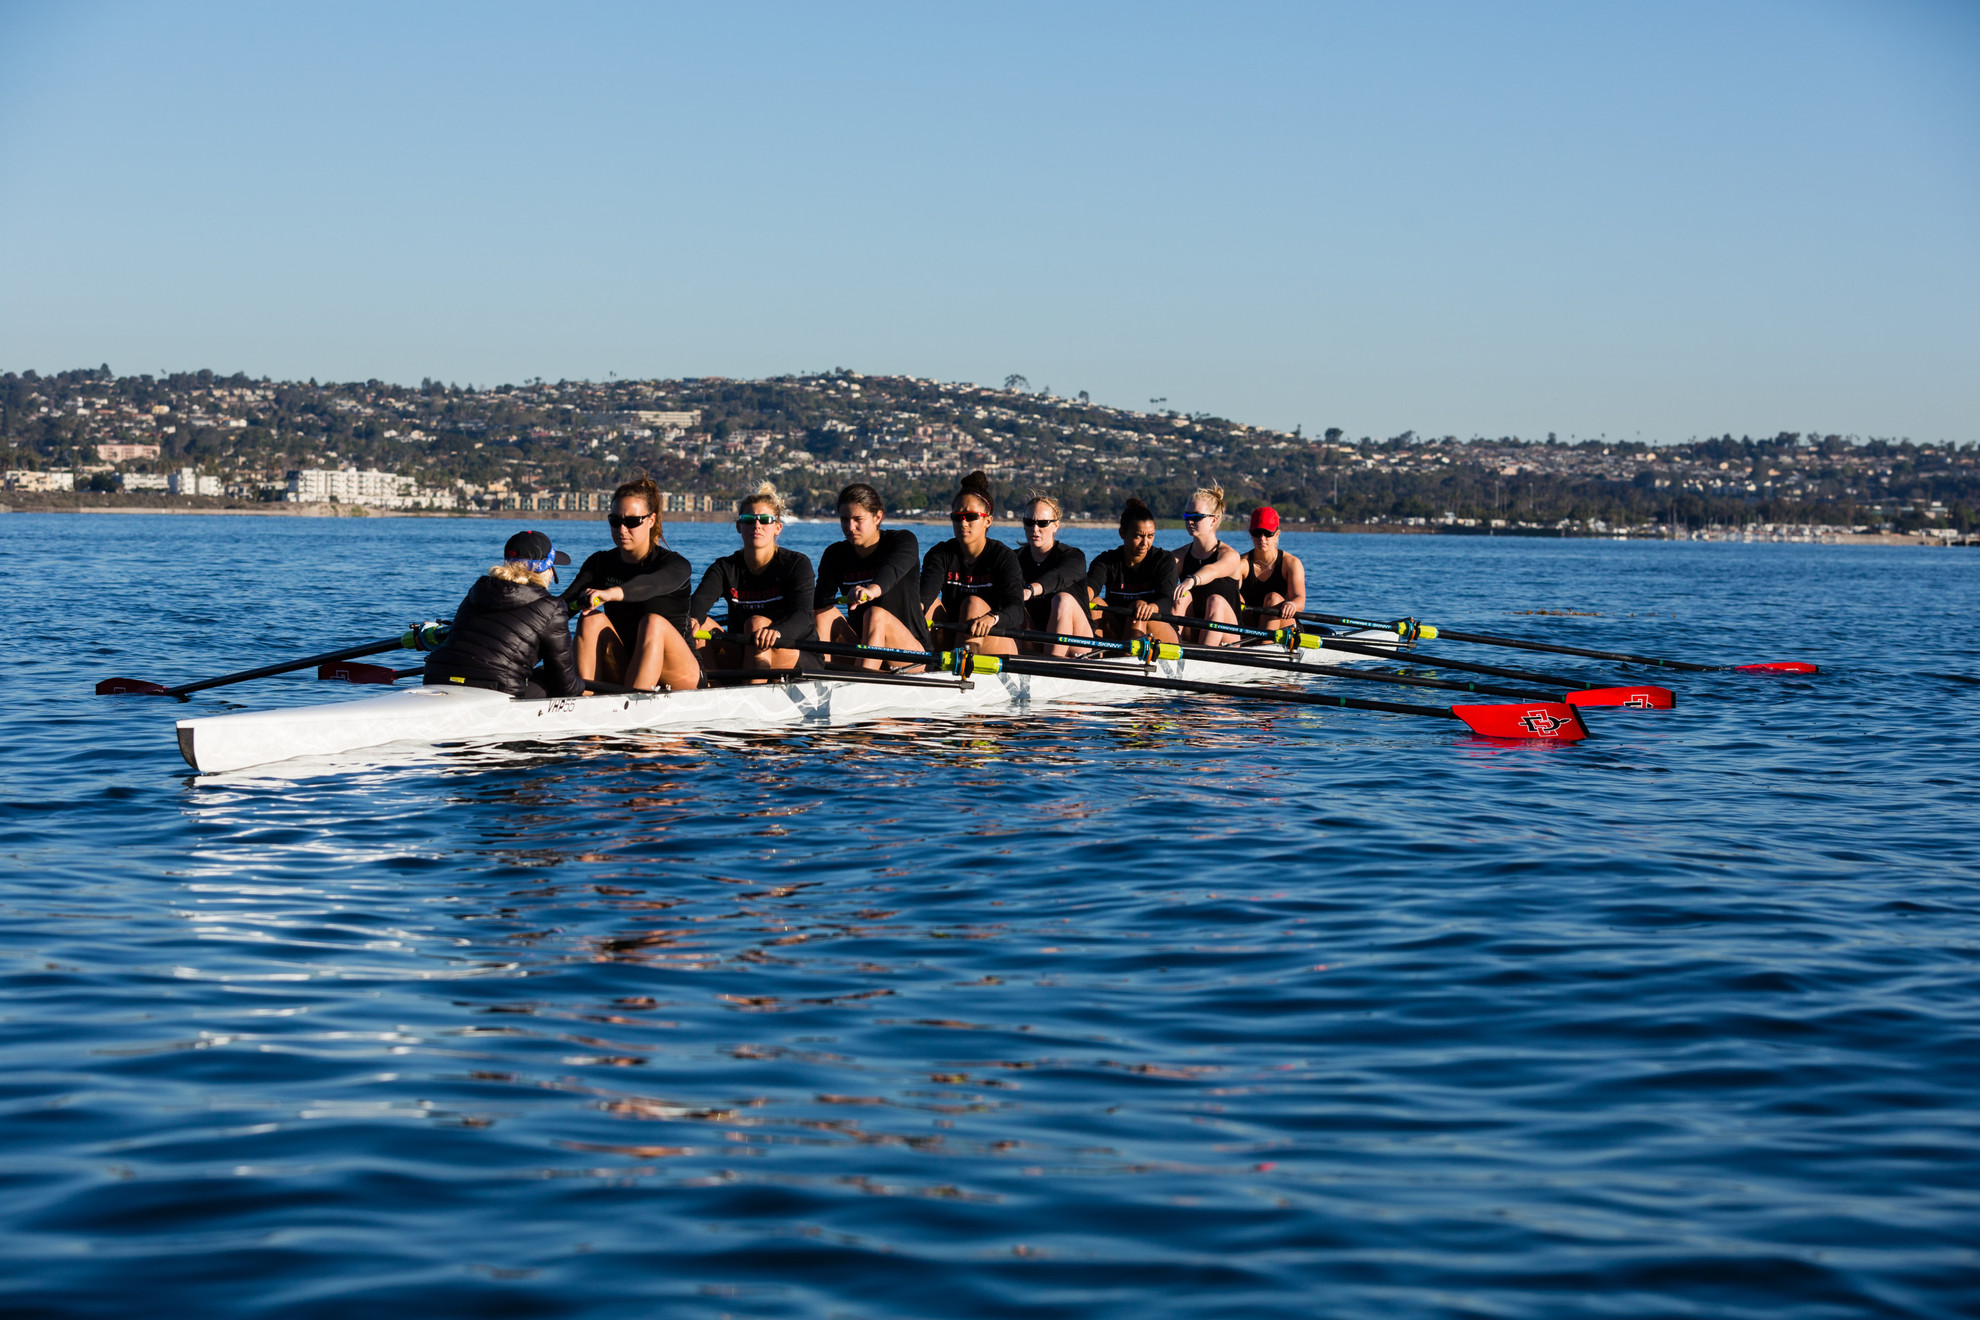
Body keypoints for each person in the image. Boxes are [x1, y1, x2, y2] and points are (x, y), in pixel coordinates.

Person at [562, 474, 700, 692]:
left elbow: (650, 584)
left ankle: (633, 704)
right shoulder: (600, 563)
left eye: (632, 521)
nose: (622, 529)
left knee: (652, 623)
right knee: (590, 618)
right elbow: (561, 608)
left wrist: (612, 593)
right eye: (615, 521)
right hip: (628, 665)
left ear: (651, 520)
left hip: (680, 673)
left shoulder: (676, 565)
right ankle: (584, 701)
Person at [422, 530, 584, 698]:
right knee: (546, 676)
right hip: (496, 689)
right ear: (547, 569)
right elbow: (565, 687)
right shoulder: (552, 607)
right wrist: (586, 685)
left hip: (436, 676)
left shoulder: (477, 591)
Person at [689, 482, 815, 676]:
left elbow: (803, 615)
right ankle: (710, 690)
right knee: (696, 625)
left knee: (756, 624)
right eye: (749, 519)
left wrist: (777, 631)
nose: (757, 525)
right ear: (739, 526)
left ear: (778, 528)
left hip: (793, 651)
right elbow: (697, 603)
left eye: (765, 519)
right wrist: (692, 619)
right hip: (745, 649)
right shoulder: (724, 567)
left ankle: (752, 692)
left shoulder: (796, 564)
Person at [813, 482, 929, 671]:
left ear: (878, 517)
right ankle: (817, 677)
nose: (850, 527)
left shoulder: (902, 541)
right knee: (822, 613)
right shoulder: (835, 554)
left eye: (858, 519)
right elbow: (818, 602)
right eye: (844, 519)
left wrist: (871, 590)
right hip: (863, 648)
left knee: (875, 615)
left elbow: (891, 571)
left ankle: (861, 685)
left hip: (911, 655)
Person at [920, 470, 1023, 657]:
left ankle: (962, 666)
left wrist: (992, 618)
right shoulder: (940, 554)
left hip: (994, 638)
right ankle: (920, 665)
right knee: (924, 607)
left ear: (987, 520)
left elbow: (1016, 609)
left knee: (973, 604)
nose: (963, 523)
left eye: (971, 516)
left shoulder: (1003, 556)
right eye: (957, 517)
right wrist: (916, 608)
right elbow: (925, 595)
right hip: (953, 636)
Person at [1085, 497, 1180, 645]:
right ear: (1122, 533)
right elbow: (1091, 587)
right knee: (1093, 602)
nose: (1145, 543)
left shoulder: (1164, 560)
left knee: (1138, 607)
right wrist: (1078, 599)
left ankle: (1128, 659)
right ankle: (1093, 655)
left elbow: (1166, 600)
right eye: (1138, 536)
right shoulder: (1106, 560)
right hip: (1119, 629)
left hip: (1158, 630)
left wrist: (1150, 608)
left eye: (1150, 536)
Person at [1014, 494, 1093, 656]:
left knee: (1062, 600)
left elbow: (1057, 577)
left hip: (1076, 640)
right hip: (1035, 637)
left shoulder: (1073, 557)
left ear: (1055, 526)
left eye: (1042, 523)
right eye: (1029, 522)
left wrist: (1030, 590)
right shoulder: (1014, 559)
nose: (1035, 529)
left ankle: (1052, 663)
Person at [1172, 484, 1244, 646]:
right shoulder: (1179, 556)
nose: (1190, 521)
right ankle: (1170, 645)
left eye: (1196, 517)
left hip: (1228, 635)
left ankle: (1205, 654)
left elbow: (1212, 570)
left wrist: (1192, 580)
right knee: (1181, 597)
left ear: (1214, 520)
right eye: (1186, 515)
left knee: (1215, 601)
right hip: (1195, 629)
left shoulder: (1230, 556)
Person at [1237, 505, 1307, 633]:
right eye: (1257, 533)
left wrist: (1292, 605)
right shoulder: (1241, 563)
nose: (1262, 539)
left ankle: (1262, 646)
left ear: (1277, 534)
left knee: (1273, 598)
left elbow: (1300, 600)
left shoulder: (1290, 563)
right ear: (1250, 534)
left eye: (1268, 533)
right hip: (1251, 626)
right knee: (1235, 597)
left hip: (1284, 625)